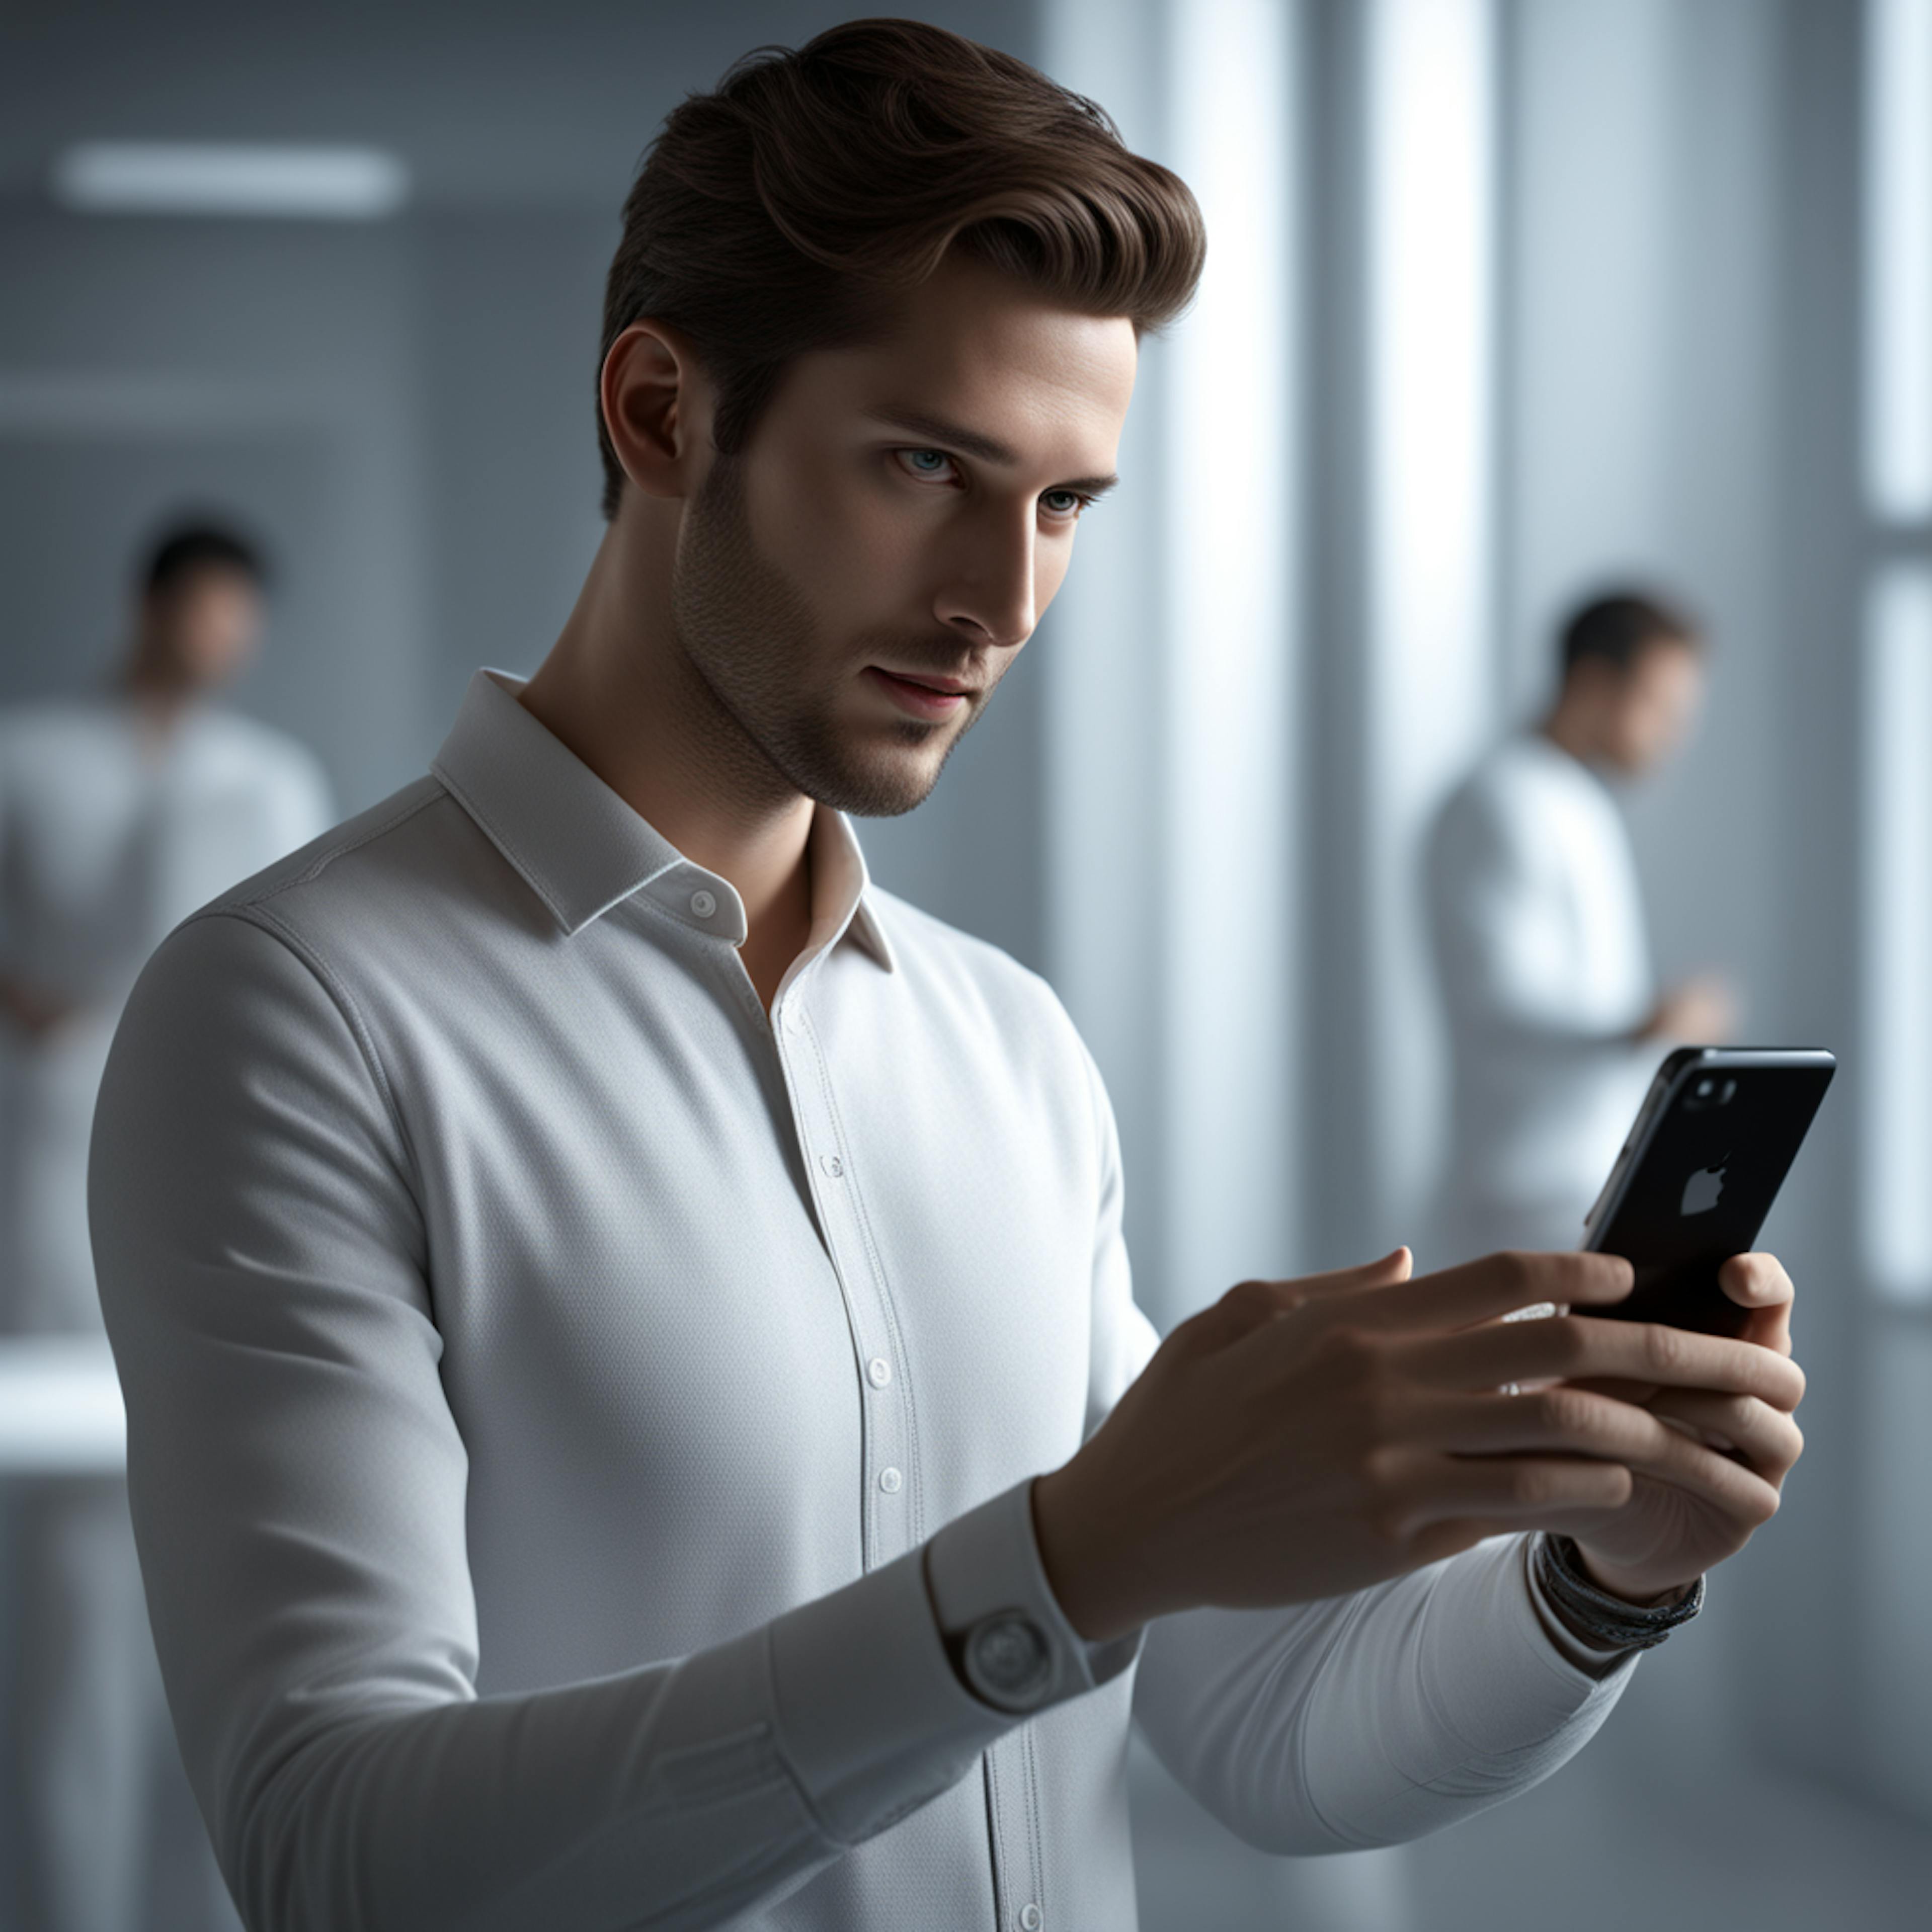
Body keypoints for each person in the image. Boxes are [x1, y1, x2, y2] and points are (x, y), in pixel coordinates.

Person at [90, 27, 1806, 1931]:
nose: (1004, 595)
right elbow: (340, 1865)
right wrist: (1065, 1570)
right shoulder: (285, 1016)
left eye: (1067, 505)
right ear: (663, 412)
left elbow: (1265, 1735)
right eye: (930, 464)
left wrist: (1604, 1581)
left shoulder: (1005, 1044)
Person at [0, 520, 332, 1932]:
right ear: (155, 603)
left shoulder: (267, 781)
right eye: (201, 609)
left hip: (223, 1168)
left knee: (227, 1606)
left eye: (238, 617)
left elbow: (315, 975)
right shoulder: (26, 758)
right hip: (41, 1160)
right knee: (79, 1611)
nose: (217, 639)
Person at [1426, 592, 1737, 1265]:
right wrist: (1644, 1021)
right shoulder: (1497, 800)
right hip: (1521, 1192)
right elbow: (1498, 998)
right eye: (1660, 707)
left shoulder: (1577, 800)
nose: (1672, 734)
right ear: (1595, 682)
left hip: (1591, 1183)